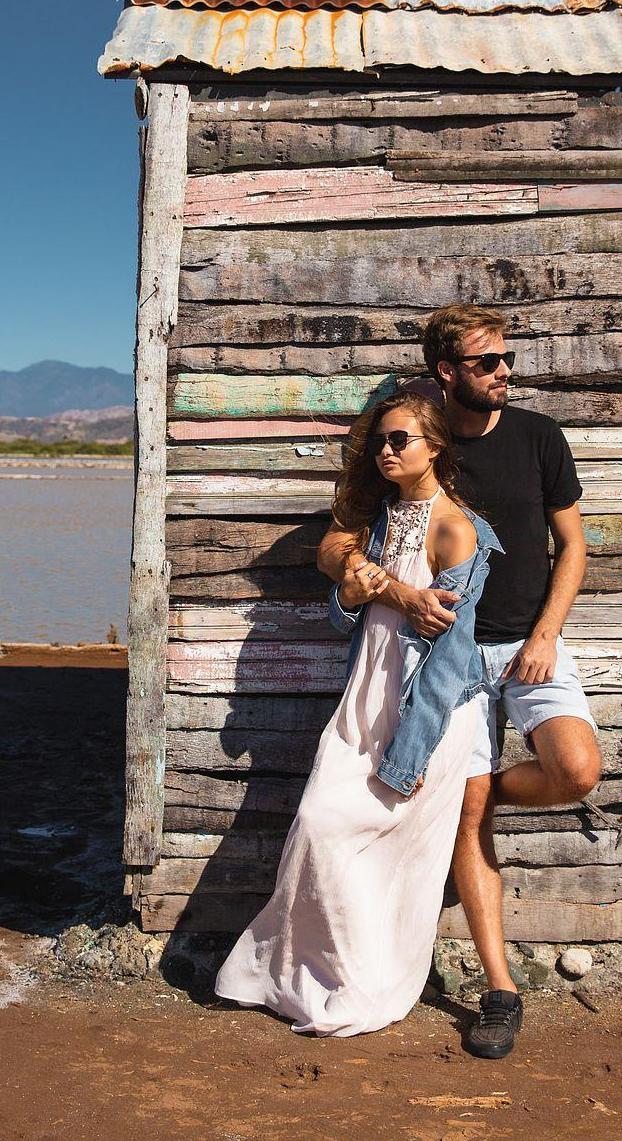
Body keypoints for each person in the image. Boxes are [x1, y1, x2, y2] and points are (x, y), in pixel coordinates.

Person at [317, 304, 596, 1060]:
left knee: (576, 770)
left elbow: (573, 545)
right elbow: (339, 539)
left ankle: (475, 790)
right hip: (449, 658)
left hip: (531, 646)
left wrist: (546, 635)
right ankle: (501, 990)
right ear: (447, 371)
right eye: (486, 362)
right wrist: (372, 579)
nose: (504, 371)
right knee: (470, 823)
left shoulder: (539, 437)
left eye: (506, 358)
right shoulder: (414, 441)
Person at [214, 391, 502, 1037]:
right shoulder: (378, 521)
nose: (386, 451)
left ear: (435, 446)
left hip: (420, 715)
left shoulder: (456, 529)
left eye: (401, 439)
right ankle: (305, 978)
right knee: (318, 829)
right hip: (363, 698)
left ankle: (366, 986)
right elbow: (350, 618)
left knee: (380, 854)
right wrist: (349, 593)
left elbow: (449, 661)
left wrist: (412, 753)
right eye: (380, 441)